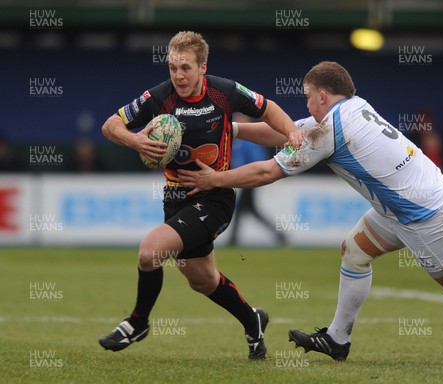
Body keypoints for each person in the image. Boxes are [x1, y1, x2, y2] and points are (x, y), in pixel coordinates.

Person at [178, 61, 443, 365]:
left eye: (307, 95)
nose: (305, 102)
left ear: (322, 96)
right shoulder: (352, 108)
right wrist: (228, 127)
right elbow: (286, 131)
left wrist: (216, 180)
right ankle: (338, 339)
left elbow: (268, 171)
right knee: (355, 250)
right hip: (406, 205)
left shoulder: (328, 128)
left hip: (425, 214)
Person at [98, 31, 300, 360]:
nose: (178, 75)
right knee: (202, 280)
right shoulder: (158, 98)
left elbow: (269, 108)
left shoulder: (226, 92)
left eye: (186, 68)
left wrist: (292, 131)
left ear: (203, 67)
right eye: (173, 67)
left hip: (214, 195)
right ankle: (253, 323)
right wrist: (135, 141)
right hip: (175, 197)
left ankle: (137, 322)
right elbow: (111, 126)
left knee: (150, 251)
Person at [228, 114, 286, 246]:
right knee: (250, 210)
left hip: (250, 179)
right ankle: (278, 234)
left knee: (243, 208)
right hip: (243, 179)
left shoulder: (249, 142)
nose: (236, 122)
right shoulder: (238, 142)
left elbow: (258, 160)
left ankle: (233, 240)